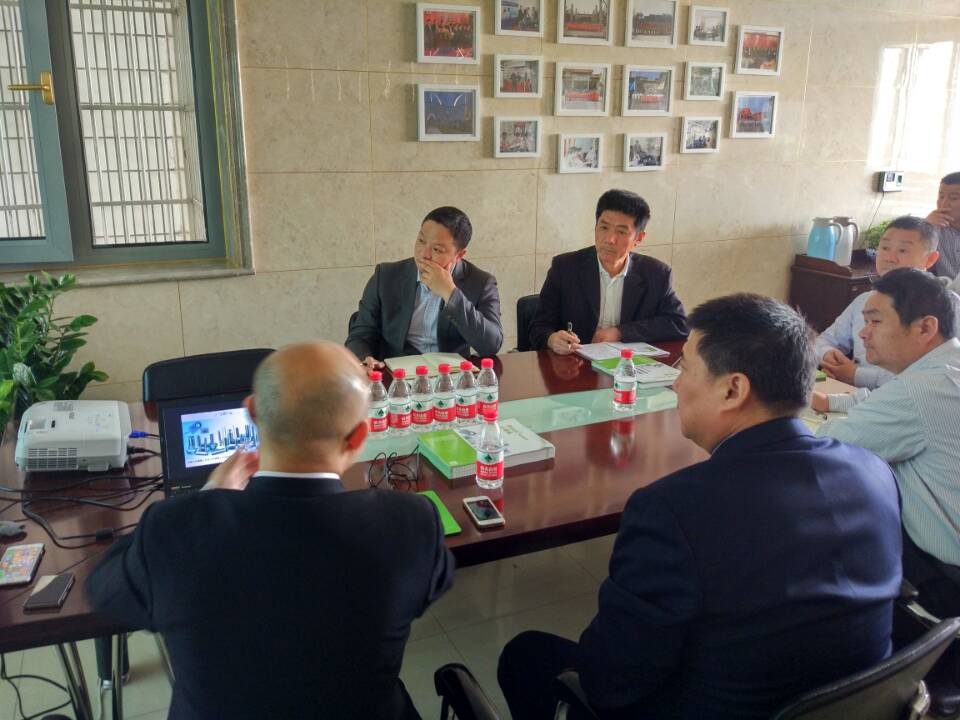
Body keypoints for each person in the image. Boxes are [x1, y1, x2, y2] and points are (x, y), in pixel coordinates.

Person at [498, 294, 902, 720]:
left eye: (685, 367)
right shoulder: (874, 474)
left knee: (526, 656)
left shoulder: (673, 510)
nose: (675, 383)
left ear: (732, 389)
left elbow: (609, 682)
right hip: (852, 705)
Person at [87, 342, 455, 719]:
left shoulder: (174, 530)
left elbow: (105, 591)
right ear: (359, 437)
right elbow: (433, 582)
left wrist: (209, 497)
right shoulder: (409, 524)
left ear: (251, 412)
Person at [817, 268, 960, 617]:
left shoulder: (918, 392)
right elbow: (887, 401)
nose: (863, 333)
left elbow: (822, 451)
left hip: (942, 582)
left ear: (925, 328)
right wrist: (836, 401)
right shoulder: (945, 369)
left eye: (876, 321)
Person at [812, 215, 960, 412]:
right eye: (885, 247)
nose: (889, 257)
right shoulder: (866, 300)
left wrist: (856, 375)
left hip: (907, 406)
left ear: (930, 259)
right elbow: (823, 341)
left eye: (903, 250)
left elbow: (930, 378)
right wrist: (829, 356)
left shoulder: (948, 306)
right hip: (857, 399)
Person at [529, 189, 688, 354]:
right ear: (595, 227)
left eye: (621, 232)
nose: (609, 239)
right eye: (604, 227)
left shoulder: (656, 274)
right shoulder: (565, 268)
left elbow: (679, 324)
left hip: (628, 364)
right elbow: (538, 328)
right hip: (575, 363)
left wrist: (620, 332)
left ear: (639, 238)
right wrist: (552, 339)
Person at [346, 206, 503, 369]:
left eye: (437, 249)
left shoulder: (481, 283)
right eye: (421, 241)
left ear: (459, 255)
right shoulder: (386, 276)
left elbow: (491, 345)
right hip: (395, 374)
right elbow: (359, 336)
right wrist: (364, 359)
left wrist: (450, 293)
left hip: (450, 375)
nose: (424, 254)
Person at [928, 171, 960, 279]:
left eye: (953, 198)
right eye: (941, 197)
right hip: (943, 288)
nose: (944, 204)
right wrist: (925, 228)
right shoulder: (932, 228)